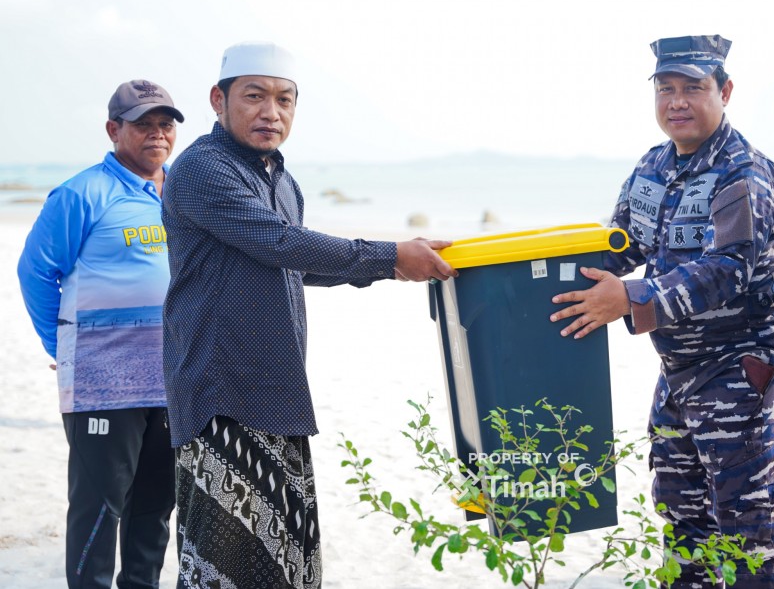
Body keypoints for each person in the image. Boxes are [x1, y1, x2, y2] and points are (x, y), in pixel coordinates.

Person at [161, 41, 457, 589]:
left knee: (286, 567)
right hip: (221, 393)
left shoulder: (281, 179)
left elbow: (296, 264)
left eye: (285, 99)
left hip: (278, 392)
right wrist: (391, 255)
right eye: (253, 96)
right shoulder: (202, 168)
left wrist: (392, 266)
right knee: (220, 569)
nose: (271, 112)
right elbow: (281, 243)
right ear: (218, 100)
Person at [550, 35, 774, 587]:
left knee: (749, 534)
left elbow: (726, 270)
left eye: (693, 88)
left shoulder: (745, 174)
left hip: (740, 379)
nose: (677, 101)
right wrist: (525, 268)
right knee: (682, 526)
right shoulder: (652, 167)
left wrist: (632, 296)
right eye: (666, 89)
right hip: (677, 380)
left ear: (725, 91)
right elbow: (619, 247)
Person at [17, 80, 183, 588]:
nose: (157, 134)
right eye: (143, 124)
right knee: (100, 506)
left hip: (174, 378)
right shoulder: (81, 193)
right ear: (115, 130)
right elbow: (35, 273)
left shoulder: (183, 192)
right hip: (102, 381)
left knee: (155, 506)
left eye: (165, 124)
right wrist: (62, 345)